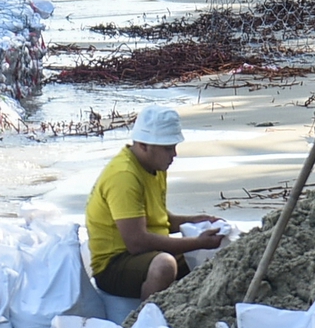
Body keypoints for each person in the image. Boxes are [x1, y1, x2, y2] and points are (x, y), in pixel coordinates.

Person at [85, 104, 224, 301]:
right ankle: (145, 320)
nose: (174, 154)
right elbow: (137, 243)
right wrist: (196, 242)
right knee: (165, 265)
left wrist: (195, 221)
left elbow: (157, 217)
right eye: (168, 148)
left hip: (149, 252)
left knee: (214, 259)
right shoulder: (124, 176)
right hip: (114, 264)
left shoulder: (154, 166)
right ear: (143, 145)